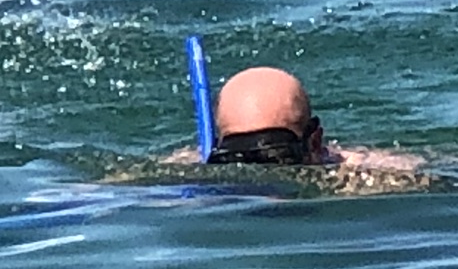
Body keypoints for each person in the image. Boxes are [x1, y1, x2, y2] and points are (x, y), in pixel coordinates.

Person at [173, 65, 424, 190]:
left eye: (274, 156)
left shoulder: (368, 176)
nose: (259, 175)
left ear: (314, 143)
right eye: (236, 157)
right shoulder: (192, 173)